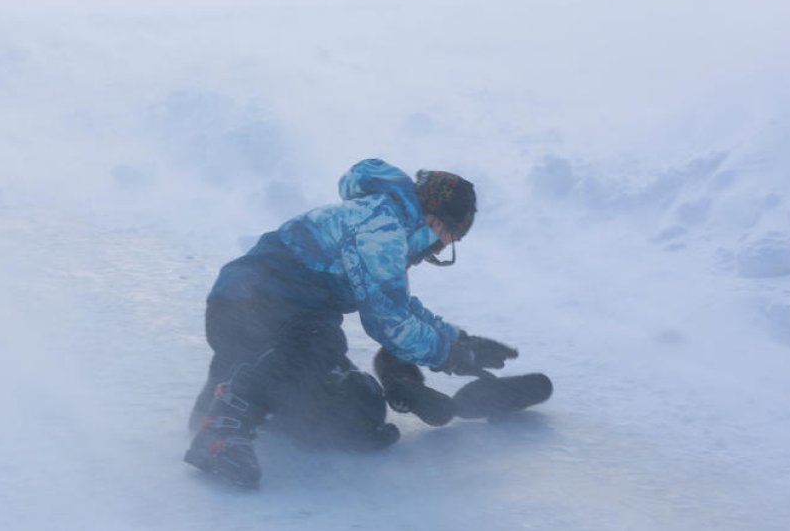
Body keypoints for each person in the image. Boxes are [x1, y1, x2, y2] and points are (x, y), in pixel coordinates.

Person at [185, 158, 548, 489]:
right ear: (438, 220)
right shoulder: (380, 228)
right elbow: (388, 322)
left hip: (273, 330)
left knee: (359, 414)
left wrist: (462, 341)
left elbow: (400, 304)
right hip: (250, 310)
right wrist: (452, 356)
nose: (447, 244)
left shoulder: (389, 223)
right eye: (455, 236)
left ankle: (249, 397)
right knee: (323, 343)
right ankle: (222, 426)